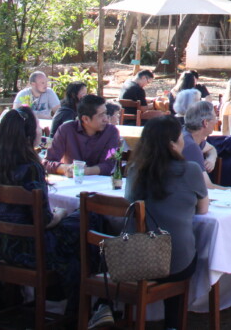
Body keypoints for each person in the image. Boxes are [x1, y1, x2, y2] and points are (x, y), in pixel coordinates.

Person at [0, 107, 80, 314]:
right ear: (28, 135)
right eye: (37, 127)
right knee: (88, 221)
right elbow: (44, 220)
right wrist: (61, 213)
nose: (40, 131)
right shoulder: (30, 167)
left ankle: (65, 303)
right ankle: (79, 307)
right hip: (29, 251)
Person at [126, 115, 209, 329]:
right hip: (175, 261)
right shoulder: (189, 170)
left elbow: (130, 204)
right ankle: (173, 324)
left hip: (136, 257)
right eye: (180, 137)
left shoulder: (135, 170)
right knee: (183, 252)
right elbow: (203, 209)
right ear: (172, 144)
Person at [43, 95, 121, 177]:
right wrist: (65, 168)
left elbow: (108, 165)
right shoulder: (66, 130)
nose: (106, 119)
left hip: (99, 184)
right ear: (85, 119)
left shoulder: (111, 132)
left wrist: (84, 171)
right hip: (70, 183)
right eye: (101, 115)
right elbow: (47, 163)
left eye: (105, 113)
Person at [182, 101, 219, 188]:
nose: (216, 121)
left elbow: (211, 149)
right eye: (215, 117)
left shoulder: (187, 133)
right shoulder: (191, 146)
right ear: (205, 123)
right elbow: (207, 187)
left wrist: (211, 159)